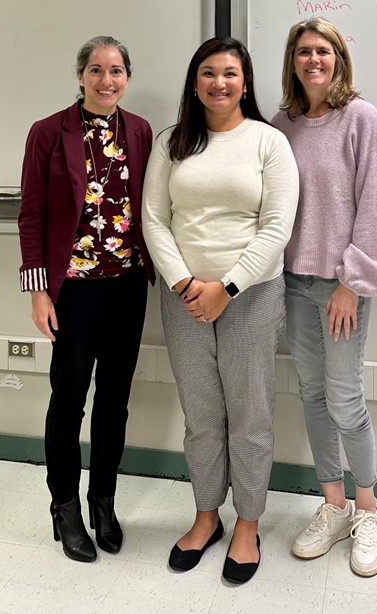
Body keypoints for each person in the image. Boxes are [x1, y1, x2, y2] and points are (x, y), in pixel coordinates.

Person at [142, 37, 298, 584]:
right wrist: (186, 282)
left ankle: (248, 523)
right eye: (207, 73)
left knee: (250, 416)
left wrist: (224, 287)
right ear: (194, 82)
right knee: (201, 413)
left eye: (230, 73)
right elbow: (154, 220)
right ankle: (207, 514)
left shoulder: (269, 142)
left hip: (251, 296)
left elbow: (277, 227)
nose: (219, 83)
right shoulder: (173, 142)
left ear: (246, 82)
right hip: (182, 296)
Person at [18, 35, 155, 563]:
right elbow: (31, 215)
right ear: (80, 76)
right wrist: (38, 291)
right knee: (68, 400)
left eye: (116, 70)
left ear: (127, 77)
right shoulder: (48, 133)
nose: (106, 80)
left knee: (114, 402)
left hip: (127, 284)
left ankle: (104, 502)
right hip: (72, 289)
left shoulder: (140, 131)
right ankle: (65, 507)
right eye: (95, 70)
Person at [272, 17, 377, 577]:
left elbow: (374, 205)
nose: (312, 60)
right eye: (303, 51)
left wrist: (352, 281)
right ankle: (333, 506)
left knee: (345, 399)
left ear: (338, 58)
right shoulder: (284, 124)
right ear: (292, 61)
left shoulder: (359, 118)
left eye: (323, 51)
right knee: (314, 396)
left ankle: (369, 511)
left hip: (343, 284)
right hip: (294, 282)